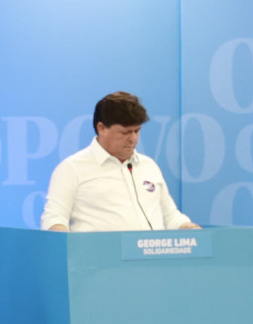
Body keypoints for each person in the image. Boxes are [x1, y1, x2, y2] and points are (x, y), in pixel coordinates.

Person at [40, 92, 199, 232]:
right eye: (125, 132)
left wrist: (189, 228)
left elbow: (169, 216)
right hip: (95, 263)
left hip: (153, 262)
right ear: (101, 128)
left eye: (137, 131)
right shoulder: (71, 168)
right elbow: (54, 219)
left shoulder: (149, 166)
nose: (133, 139)